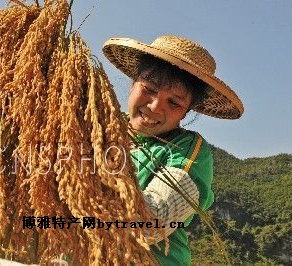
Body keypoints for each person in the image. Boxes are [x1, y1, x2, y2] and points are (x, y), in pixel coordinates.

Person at [102, 35, 244, 265]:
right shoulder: (95, 127)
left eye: (174, 102)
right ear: (133, 84)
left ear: (186, 112)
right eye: (149, 89)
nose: (155, 106)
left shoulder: (188, 149)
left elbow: (151, 222)